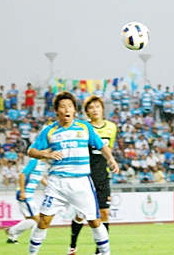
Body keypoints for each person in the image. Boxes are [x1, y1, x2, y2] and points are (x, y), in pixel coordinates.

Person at [27, 91, 119, 255]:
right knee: (43, 222)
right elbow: (31, 150)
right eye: (63, 106)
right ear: (57, 111)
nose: (67, 109)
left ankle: (106, 253)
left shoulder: (84, 127)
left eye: (70, 106)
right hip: (57, 183)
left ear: (74, 110)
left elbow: (101, 145)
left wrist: (111, 158)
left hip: (81, 182)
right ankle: (32, 253)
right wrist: (46, 154)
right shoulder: (49, 131)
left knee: (94, 221)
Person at [68, 95, 118, 255]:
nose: (95, 110)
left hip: (103, 176)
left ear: (102, 109)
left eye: (97, 106)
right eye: (91, 107)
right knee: (81, 215)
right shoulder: (82, 127)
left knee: (104, 213)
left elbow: (108, 148)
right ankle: (72, 246)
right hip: (84, 177)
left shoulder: (112, 127)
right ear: (87, 112)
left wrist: (110, 160)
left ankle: (100, 251)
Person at [5, 158, 47, 244]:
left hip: (28, 194)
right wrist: (23, 191)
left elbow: (40, 178)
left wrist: (50, 187)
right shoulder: (35, 161)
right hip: (26, 195)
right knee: (36, 220)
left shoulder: (42, 164)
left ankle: (12, 236)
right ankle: (12, 231)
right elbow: (22, 174)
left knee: (29, 220)